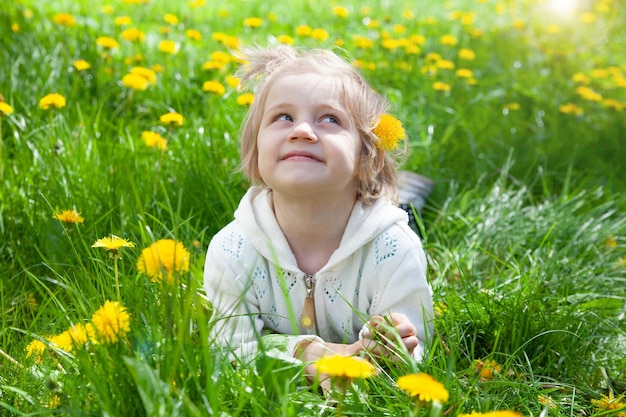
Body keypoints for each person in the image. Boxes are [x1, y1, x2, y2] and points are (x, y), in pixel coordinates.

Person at [203, 45, 433, 374]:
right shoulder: (233, 251)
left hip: (373, 220)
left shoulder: (395, 250)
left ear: (367, 157)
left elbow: (414, 351)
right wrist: (310, 356)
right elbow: (230, 352)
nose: (302, 131)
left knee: (404, 212)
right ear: (256, 153)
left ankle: (410, 192)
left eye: (329, 119)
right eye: (283, 117)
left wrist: (391, 350)